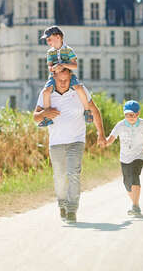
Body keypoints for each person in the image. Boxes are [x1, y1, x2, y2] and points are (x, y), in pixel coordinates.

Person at [33, 68, 106, 224]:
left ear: (71, 78)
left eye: (66, 80)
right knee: (59, 176)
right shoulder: (47, 92)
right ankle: (62, 203)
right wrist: (46, 113)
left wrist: (101, 134)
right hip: (56, 142)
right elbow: (35, 117)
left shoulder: (79, 89)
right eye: (60, 80)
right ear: (54, 78)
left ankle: (72, 209)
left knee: (73, 173)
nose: (63, 83)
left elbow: (94, 110)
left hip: (76, 140)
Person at [37, 26, 93, 127]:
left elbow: (75, 65)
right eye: (47, 40)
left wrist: (62, 65)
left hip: (69, 76)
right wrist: (54, 68)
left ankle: (87, 111)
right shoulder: (50, 52)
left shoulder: (68, 50)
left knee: (79, 89)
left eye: (49, 39)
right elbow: (49, 66)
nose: (48, 42)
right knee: (46, 92)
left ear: (58, 37)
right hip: (54, 77)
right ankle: (47, 118)